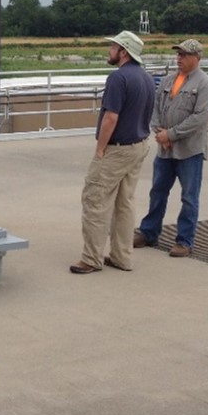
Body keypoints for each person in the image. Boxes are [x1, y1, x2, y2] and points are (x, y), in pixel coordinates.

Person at [71, 31, 155, 274]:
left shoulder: (118, 79)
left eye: (113, 47)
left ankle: (91, 258)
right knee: (124, 203)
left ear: (124, 52)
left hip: (117, 149)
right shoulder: (147, 78)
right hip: (139, 145)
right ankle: (122, 256)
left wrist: (100, 149)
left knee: (95, 200)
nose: (110, 50)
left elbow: (111, 117)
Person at [134, 39, 208, 257]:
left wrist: (171, 134)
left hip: (190, 151)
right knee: (157, 192)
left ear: (197, 58)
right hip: (165, 149)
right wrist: (159, 132)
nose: (179, 59)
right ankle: (149, 232)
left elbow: (199, 118)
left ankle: (184, 240)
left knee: (189, 197)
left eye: (184, 55)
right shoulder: (168, 80)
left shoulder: (206, 85)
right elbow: (155, 108)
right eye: (178, 54)